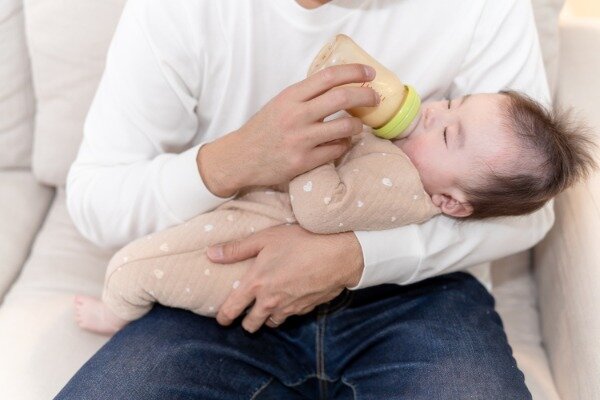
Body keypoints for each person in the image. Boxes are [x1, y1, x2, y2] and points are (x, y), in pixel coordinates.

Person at [58, 0, 559, 398]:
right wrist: (234, 160)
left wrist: (356, 256)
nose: (433, 112)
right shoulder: (182, 11)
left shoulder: (486, 8)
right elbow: (95, 200)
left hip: (419, 291)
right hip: (228, 283)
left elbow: (528, 206)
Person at [72, 90, 595, 336]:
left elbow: (322, 211)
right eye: (454, 104)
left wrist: (310, 149)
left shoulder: (404, 186)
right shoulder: (404, 159)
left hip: (250, 268)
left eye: (447, 134)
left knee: (139, 267)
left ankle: (117, 311)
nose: (434, 110)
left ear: (450, 203)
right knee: (161, 249)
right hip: (249, 225)